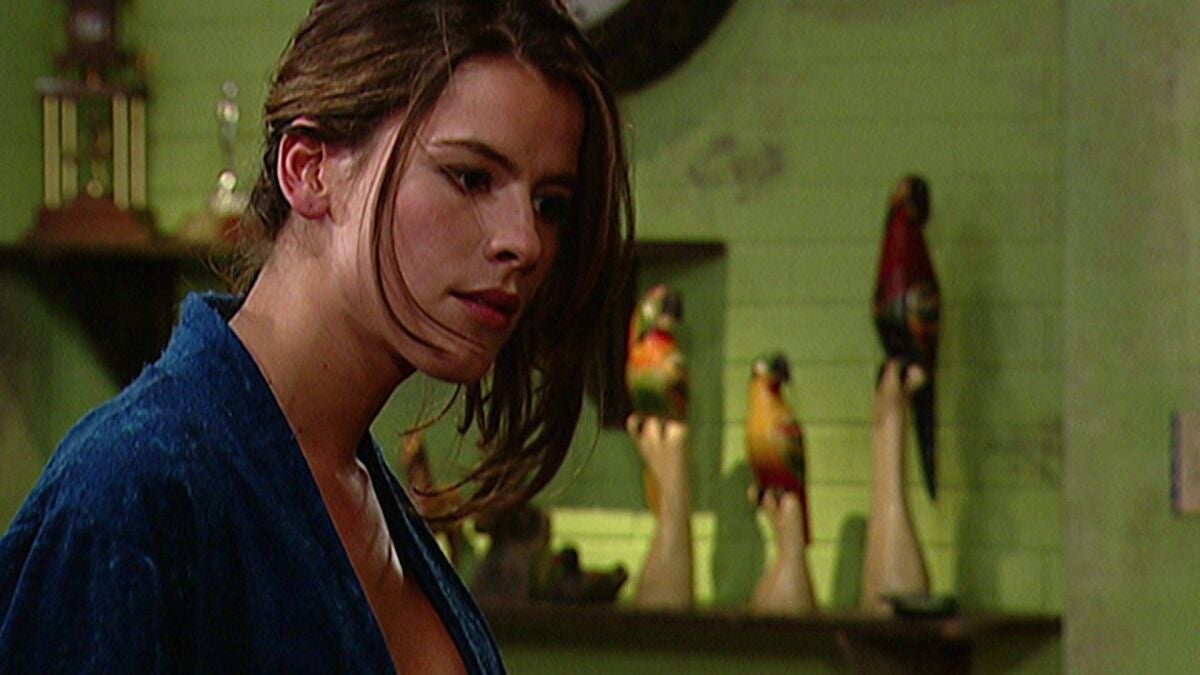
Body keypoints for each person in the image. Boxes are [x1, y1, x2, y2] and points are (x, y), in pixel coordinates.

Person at [0, 0, 632, 672]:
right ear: (309, 170)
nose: (525, 242)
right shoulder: (133, 492)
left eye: (549, 204)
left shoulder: (358, 488)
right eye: (471, 178)